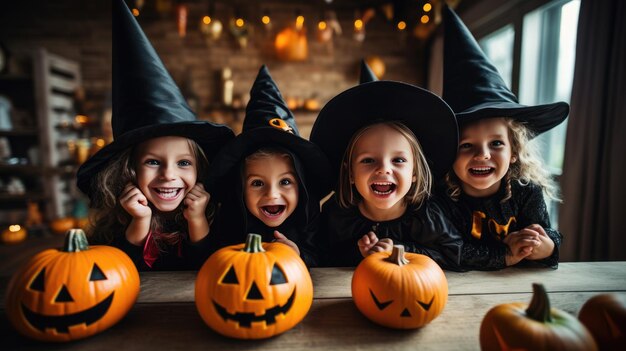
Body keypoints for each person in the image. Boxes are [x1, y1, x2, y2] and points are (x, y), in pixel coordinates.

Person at [75, 0, 234, 271]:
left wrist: (197, 220)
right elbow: (114, 274)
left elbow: (212, 271)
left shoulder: (215, 214)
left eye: (184, 163)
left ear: (200, 169)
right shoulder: (115, 222)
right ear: (129, 168)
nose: (168, 175)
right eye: (153, 162)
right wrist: (139, 222)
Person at [436, 6, 569, 270]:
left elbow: (548, 234)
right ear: (449, 151)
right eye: (466, 145)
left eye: (496, 143)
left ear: (515, 150)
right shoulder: (442, 196)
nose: (482, 154)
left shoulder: (526, 192)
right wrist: (505, 254)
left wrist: (543, 245)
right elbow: (448, 251)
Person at [310, 60, 463, 270]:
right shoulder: (337, 213)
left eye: (398, 160)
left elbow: (454, 255)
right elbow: (322, 256)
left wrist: (400, 250)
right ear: (351, 173)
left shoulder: (427, 215)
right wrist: (359, 253)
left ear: (415, 172)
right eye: (368, 160)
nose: (383, 169)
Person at [206, 65, 332, 267]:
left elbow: (325, 257)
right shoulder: (230, 216)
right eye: (257, 183)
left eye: (285, 181)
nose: (272, 194)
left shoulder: (309, 214)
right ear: (240, 187)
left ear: (301, 184)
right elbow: (214, 257)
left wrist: (299, 256)